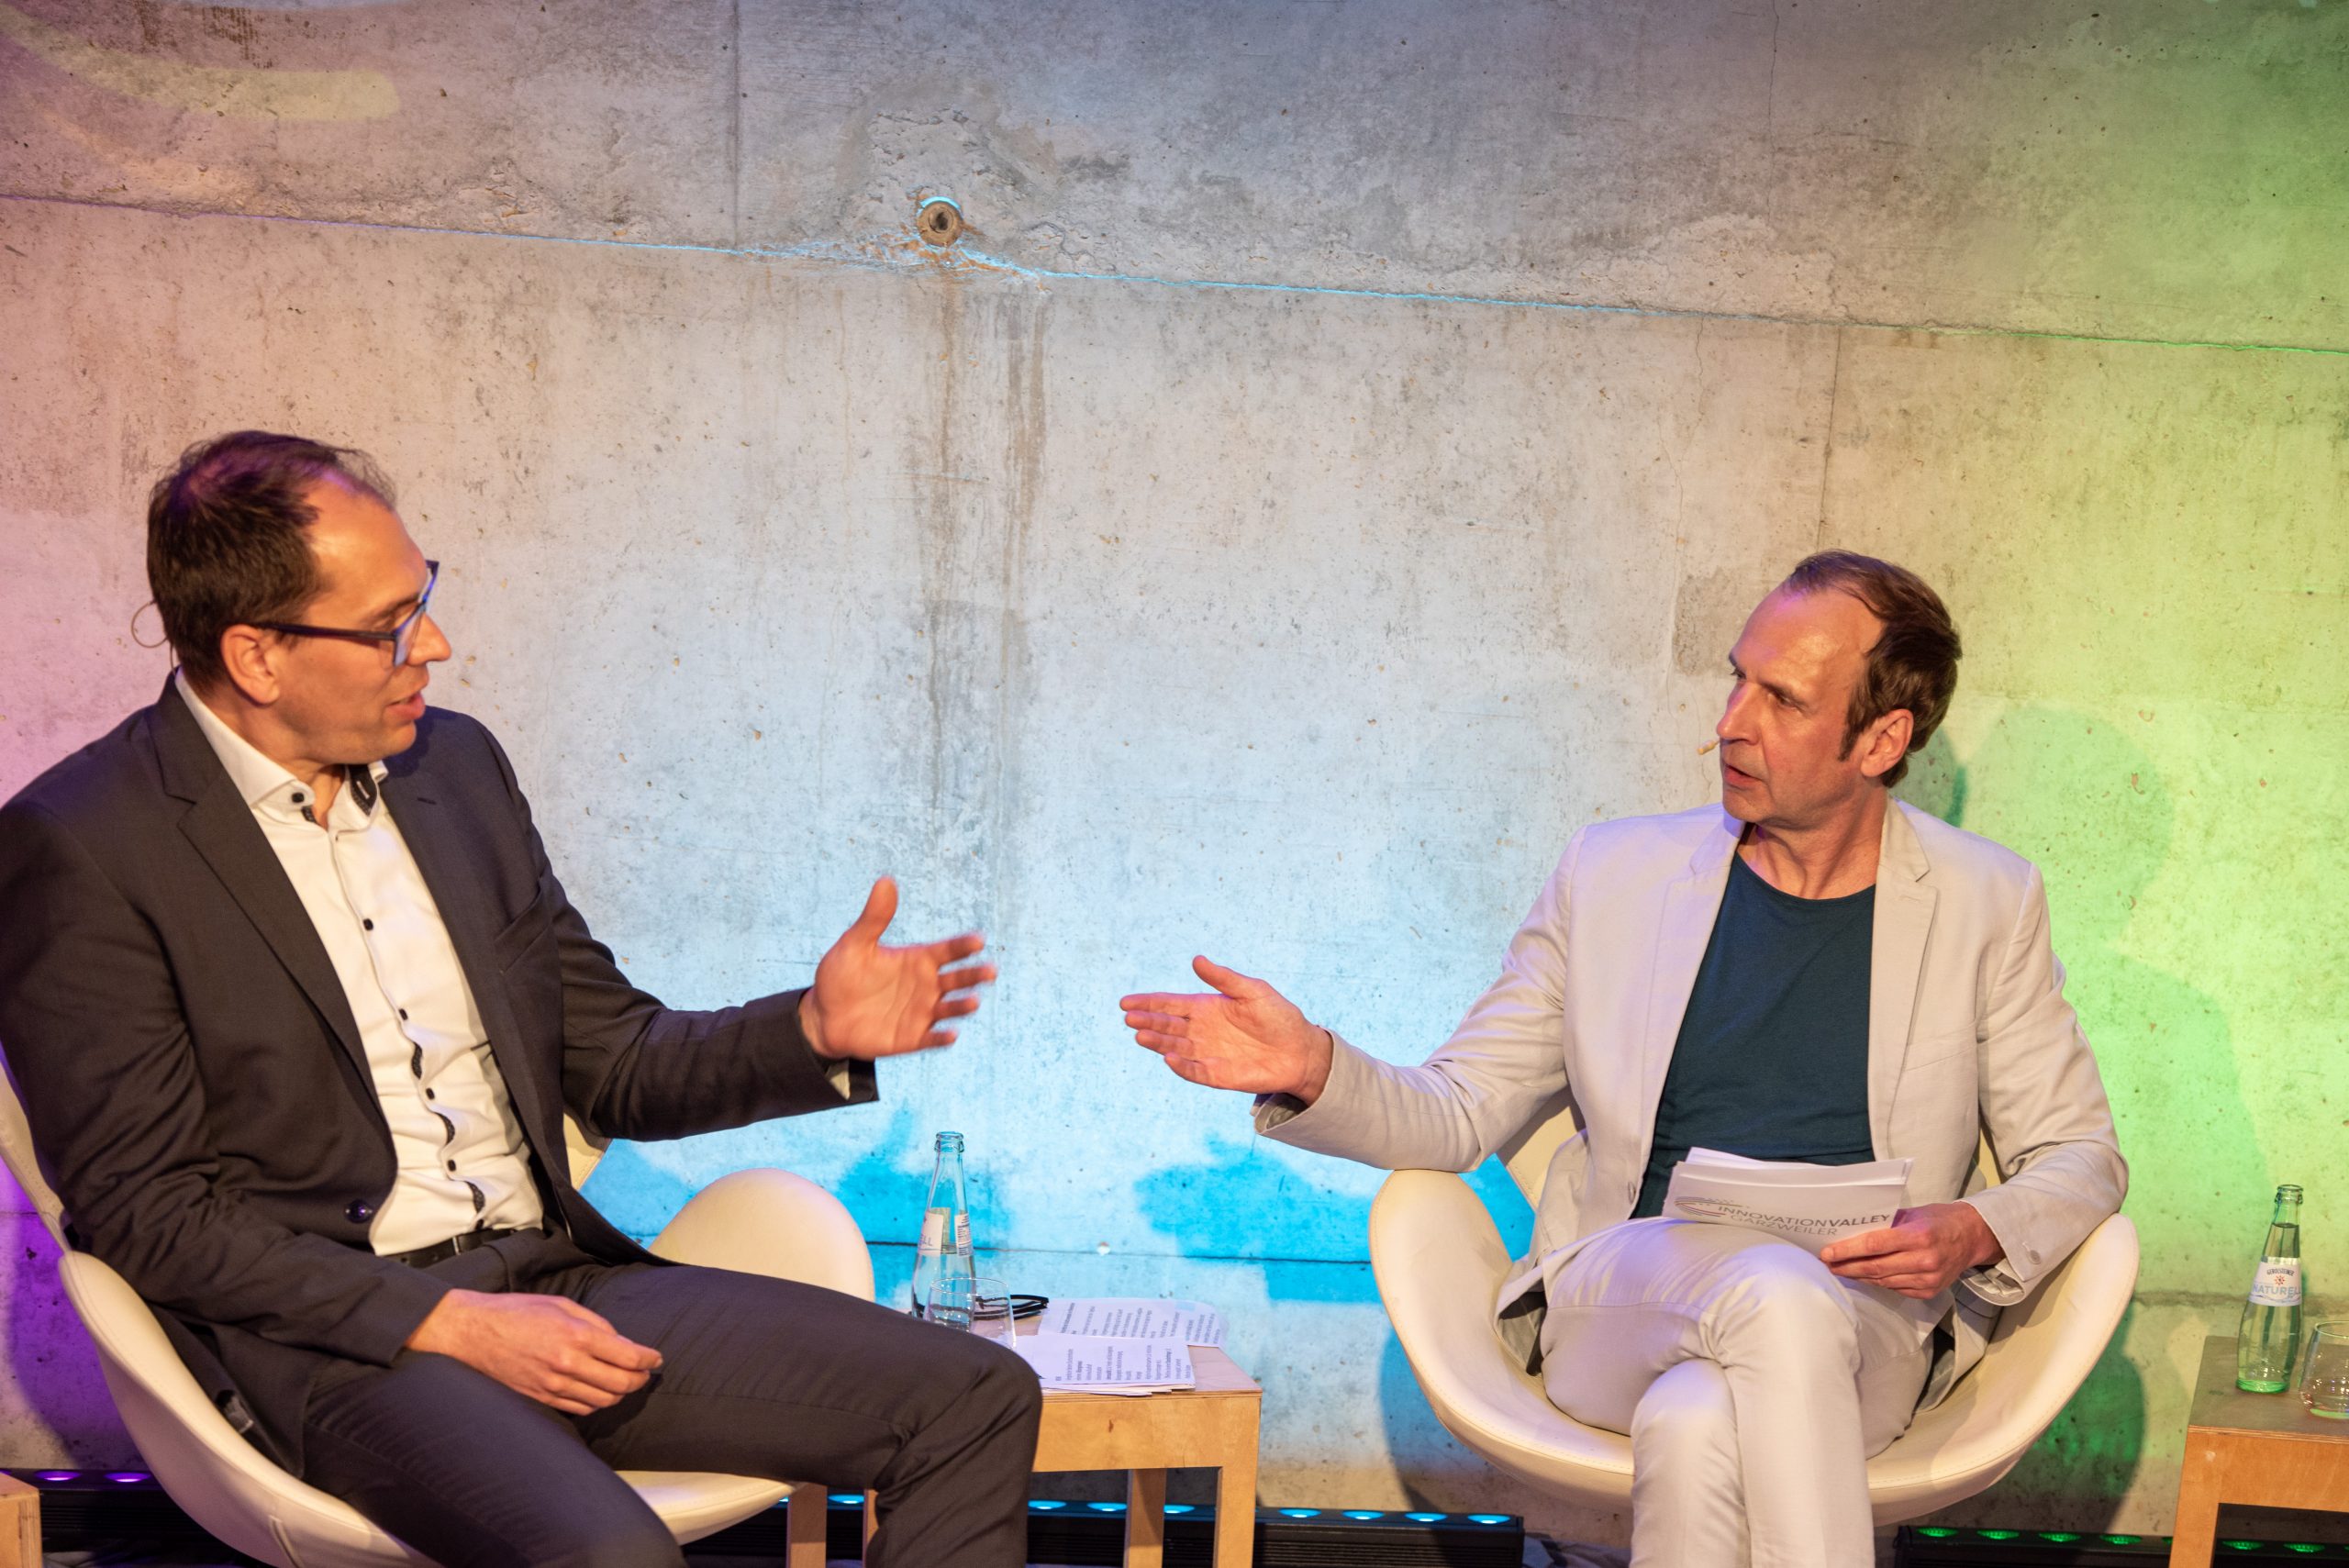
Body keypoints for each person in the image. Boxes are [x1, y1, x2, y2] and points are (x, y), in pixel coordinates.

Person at [0, 432, 1042, 1568]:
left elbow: (615, 1059)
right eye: (389, 623)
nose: (433, 644)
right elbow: (151, 1211)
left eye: (423, 597)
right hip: (341, 1346)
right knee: (612, 1554)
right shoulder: (85, 844)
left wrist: (808, 1032)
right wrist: (446, 1322)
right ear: (256, 654)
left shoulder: (455, 771)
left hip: (551, 1278)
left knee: (973, 1396)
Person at [1119, 552, 2125, 1568]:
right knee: (1772, 1294)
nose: (1731, 722)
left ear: (1882, 739)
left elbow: (2082, 1155)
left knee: (1695, 1419)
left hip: (1864, 1323)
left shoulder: (1986, 900)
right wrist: (1312, 1065)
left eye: (1781, 699)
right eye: (1737, 679)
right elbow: (1460, 1108)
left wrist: (1971, 1229)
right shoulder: (1614, 875)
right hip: (1625, 1297)